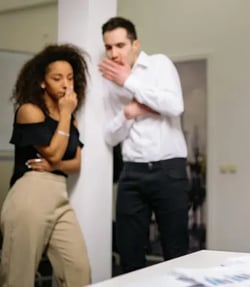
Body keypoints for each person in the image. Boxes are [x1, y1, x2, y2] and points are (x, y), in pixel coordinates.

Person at [99, 16, 190, 273]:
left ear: (135, 44)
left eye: (120, 45)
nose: (114, 53)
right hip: (132, 173)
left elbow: (174, 106)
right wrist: (130, 113)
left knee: (175, 252)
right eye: (108, 47)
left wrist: (129, 82)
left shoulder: (160, 65)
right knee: (129, 254)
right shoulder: (108, 83)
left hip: (168, 170)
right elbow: (109, 135)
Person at [0, 44, 91, 286]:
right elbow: (53, 151)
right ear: (42, 82)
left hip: (59, 198)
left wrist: (54, 166)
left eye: (70, 78)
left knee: (79, 270)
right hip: (30, 195)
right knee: (19, 277)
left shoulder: (72, 120)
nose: (65, 85)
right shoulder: (29, 111)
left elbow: (76, 164)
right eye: (57, 78)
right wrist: (64, 115)